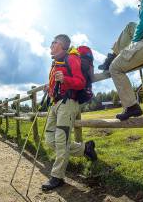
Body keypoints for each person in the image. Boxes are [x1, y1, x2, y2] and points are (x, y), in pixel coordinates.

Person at [42, 34, 97, 191]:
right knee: (50, 140)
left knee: (61, 141)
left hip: (68, 104)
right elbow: (57, 87)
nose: (51, 44)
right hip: (55, 104)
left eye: (55, 42)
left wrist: (65, 79)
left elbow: (80, 82)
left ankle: (57, 176)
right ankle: (85, 148)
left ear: (63, 46)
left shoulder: (71, 58)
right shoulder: (55, 63)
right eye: (52, 41)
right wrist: (49, 88)